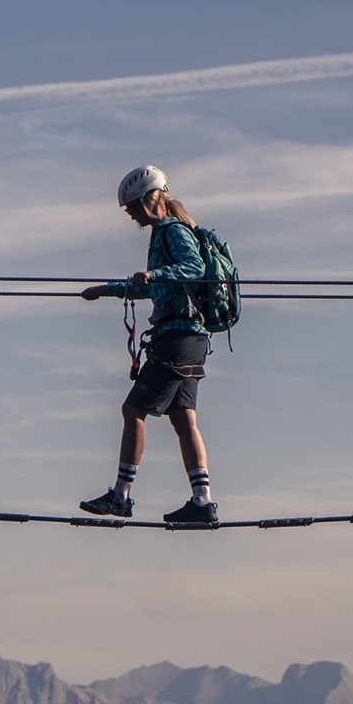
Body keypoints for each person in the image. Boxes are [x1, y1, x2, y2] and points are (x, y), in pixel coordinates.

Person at [78, 165, 218, 526]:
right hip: (187, 337)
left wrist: (155, 273)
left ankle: (121, 496)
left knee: (133, 409)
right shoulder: (161, 234)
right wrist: (106, 290)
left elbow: (194, 267)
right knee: (183, 418)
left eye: (135, 208)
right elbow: (151, 287)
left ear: (151, 198)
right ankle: (202, 501)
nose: (132, 215)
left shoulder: (171, 230)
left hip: (178, 337)